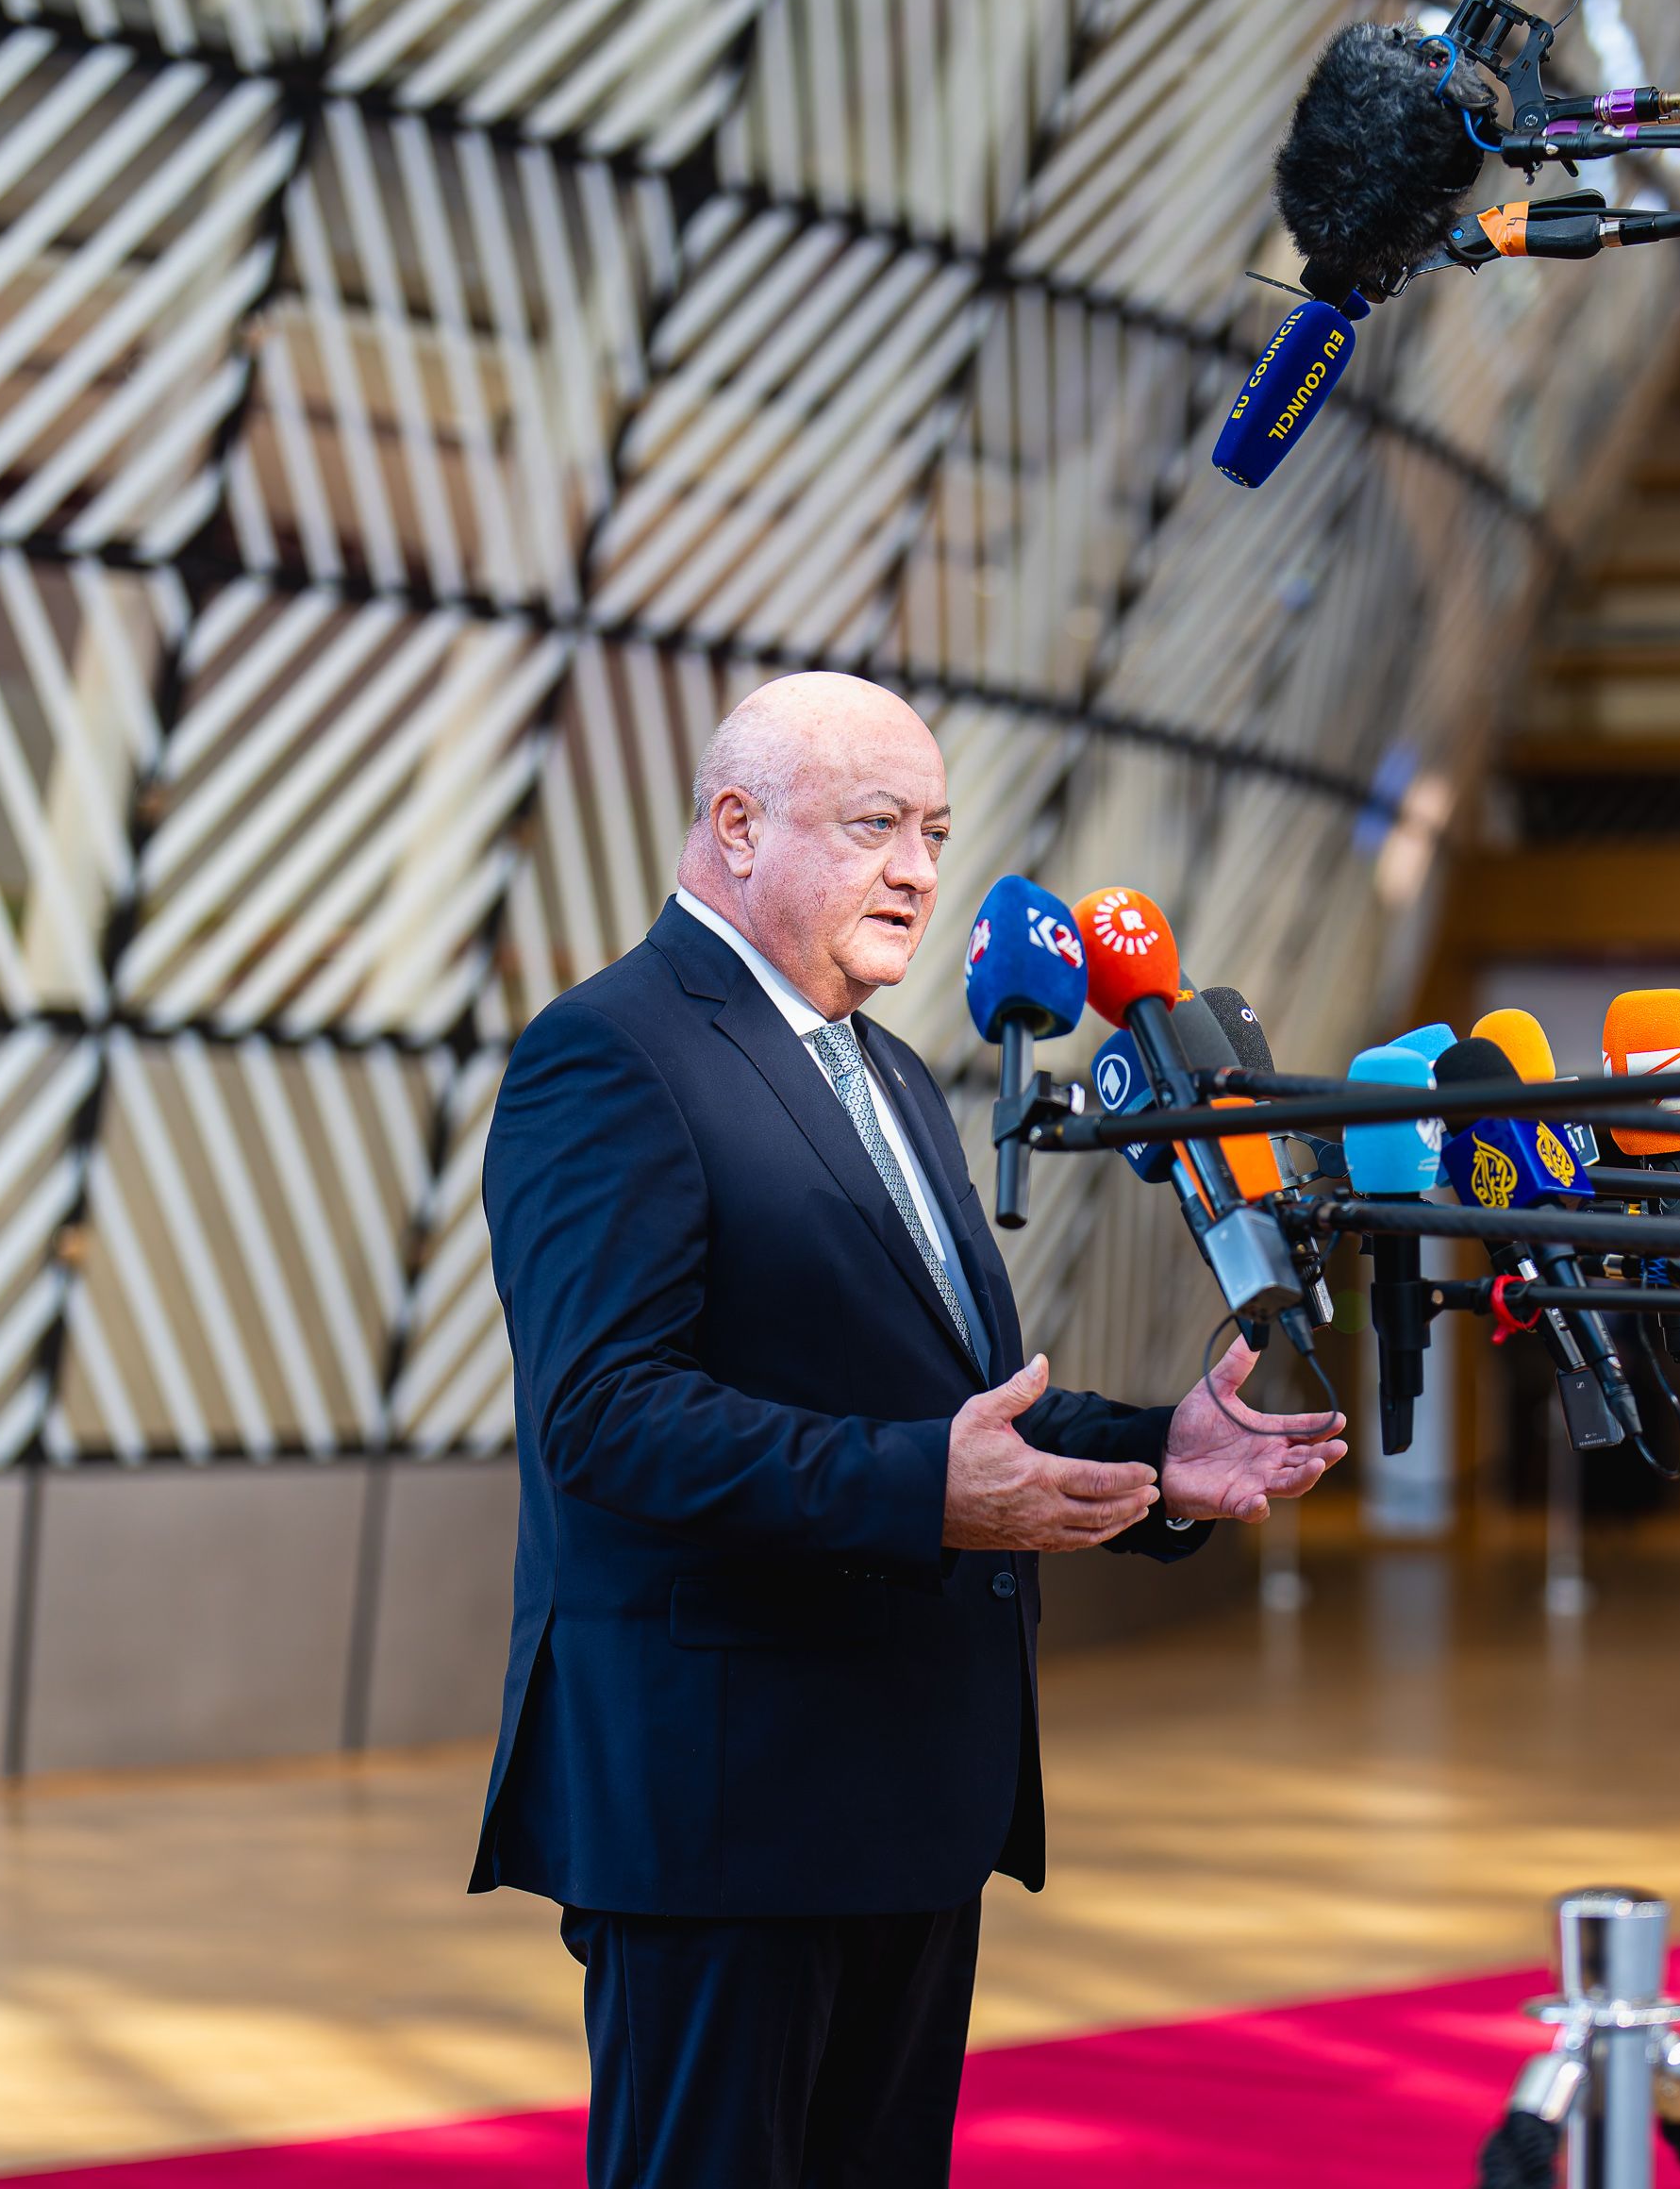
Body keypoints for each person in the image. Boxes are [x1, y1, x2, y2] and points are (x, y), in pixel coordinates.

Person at [474, 673, 1349, 2189]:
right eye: (877, 825)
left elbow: (948, 1408)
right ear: (735, 827)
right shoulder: (608, 1053)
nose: (922, 871)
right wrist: (925, 1489)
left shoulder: (885, 1073)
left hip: (902, 1801)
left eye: (935, 831)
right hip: (726, 1814)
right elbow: (604, 1416)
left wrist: (1161, 1458)